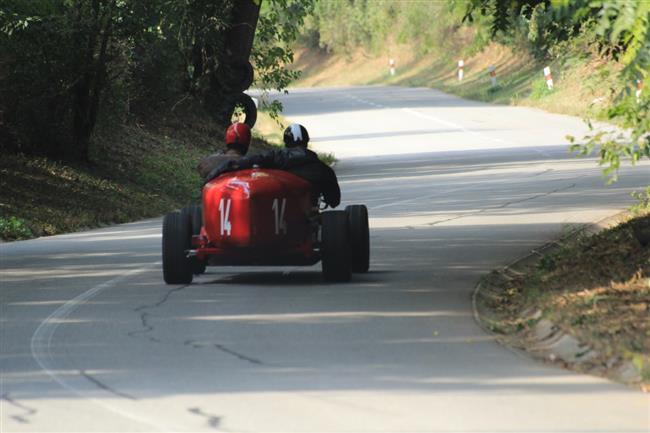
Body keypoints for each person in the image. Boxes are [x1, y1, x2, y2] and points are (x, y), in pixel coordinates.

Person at [204, 123, 341, 208]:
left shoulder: (277, 157)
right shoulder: (323, 169)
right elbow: (334, 201)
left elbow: (247, 161)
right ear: (306, 142)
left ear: (286, 142)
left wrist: (214, 174)